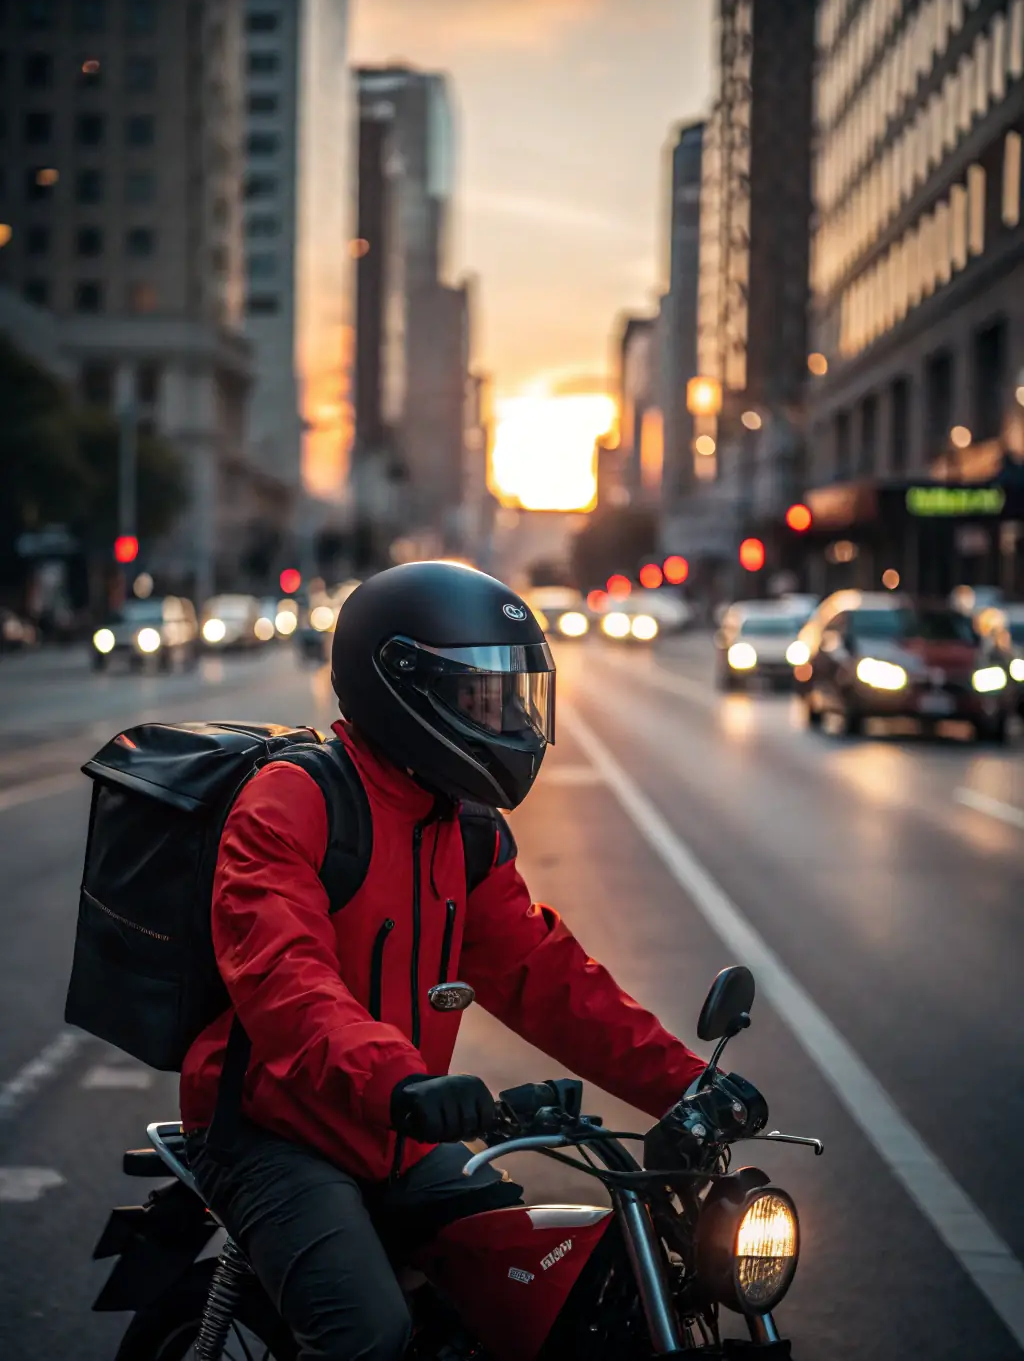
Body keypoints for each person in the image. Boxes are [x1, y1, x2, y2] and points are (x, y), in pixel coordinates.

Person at [180, 561, 706, 1361]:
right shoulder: (294, 801)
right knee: (366, 1332)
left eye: (510, 696)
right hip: (272, 1130)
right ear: (403, 687)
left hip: (399, 1129)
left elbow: (545, 976)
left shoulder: (462, 827)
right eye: (481, 697)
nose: (507, 718)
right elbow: (288, 983)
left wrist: (690, 1086)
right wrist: (402, 1082)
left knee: (526, 1292)